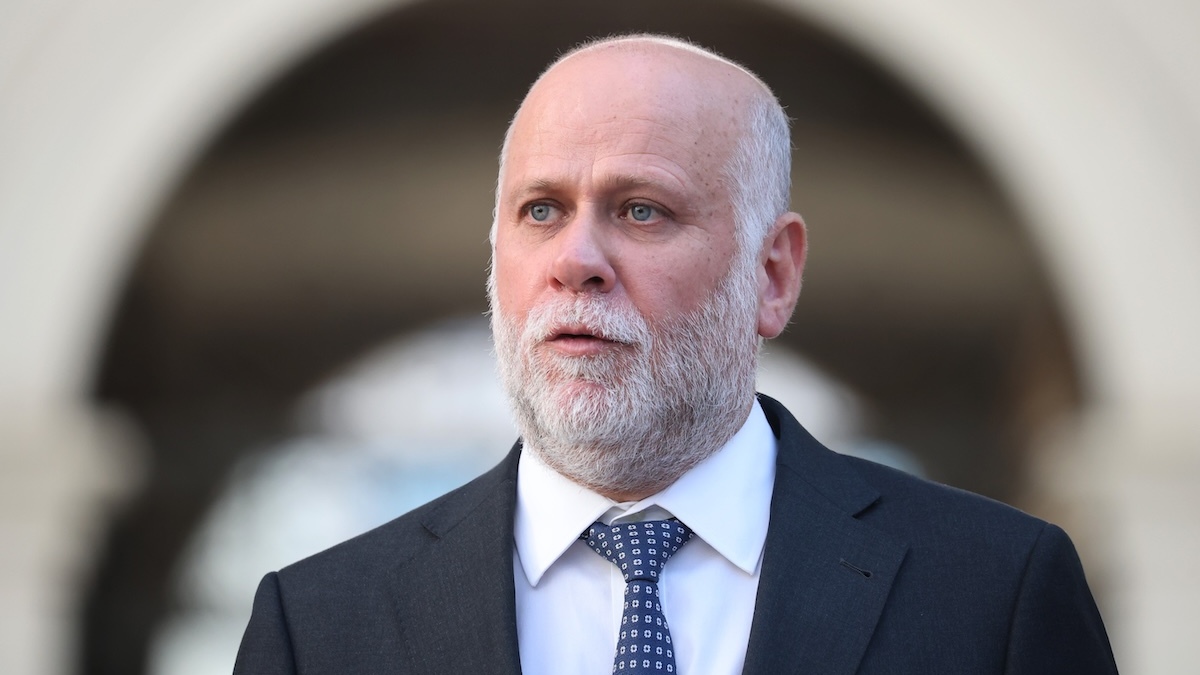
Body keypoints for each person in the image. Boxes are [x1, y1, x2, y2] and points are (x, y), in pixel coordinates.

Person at [234, 34, 1117, 674]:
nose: (576, 260)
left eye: (641, 210)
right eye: (540, 210)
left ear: (773, 274)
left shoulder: (993, 593)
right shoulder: (320, 628)